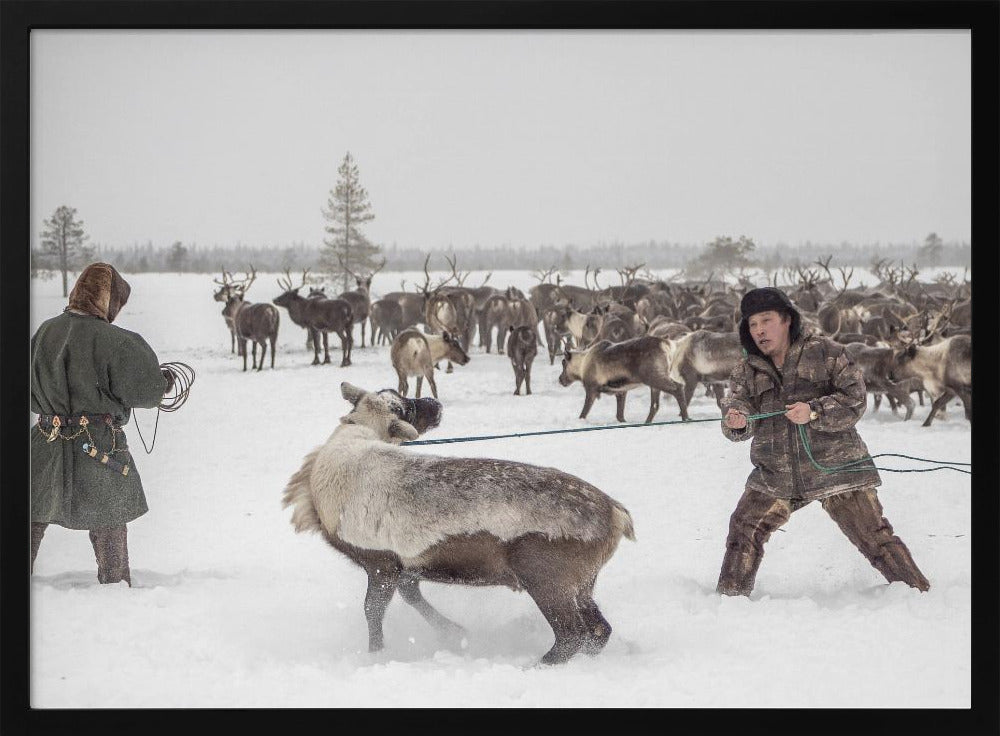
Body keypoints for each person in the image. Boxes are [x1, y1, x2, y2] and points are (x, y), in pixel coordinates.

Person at [717, 286, 929, 596]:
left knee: (874, 536)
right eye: (752, 324)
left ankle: (918, 595)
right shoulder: (745, 370)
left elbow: (855, 399)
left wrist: (814, 411)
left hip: (837, 468)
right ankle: (729, 600)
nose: (759, 330)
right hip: (777, 473)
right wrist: (736, 420)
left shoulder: (827, 353)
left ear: (787, 319)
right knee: (743, 529)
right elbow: (738, 407)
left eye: (766, 320)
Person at [31, 263, 172, 586]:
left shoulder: (44, 333)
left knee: (29, 515)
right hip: (97, 445)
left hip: (44, 439)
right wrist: (163, 382)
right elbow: (148, 391)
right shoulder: (118, 341)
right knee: (110, 520)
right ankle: (115, 587)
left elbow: (26, 391)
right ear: (109, 300)